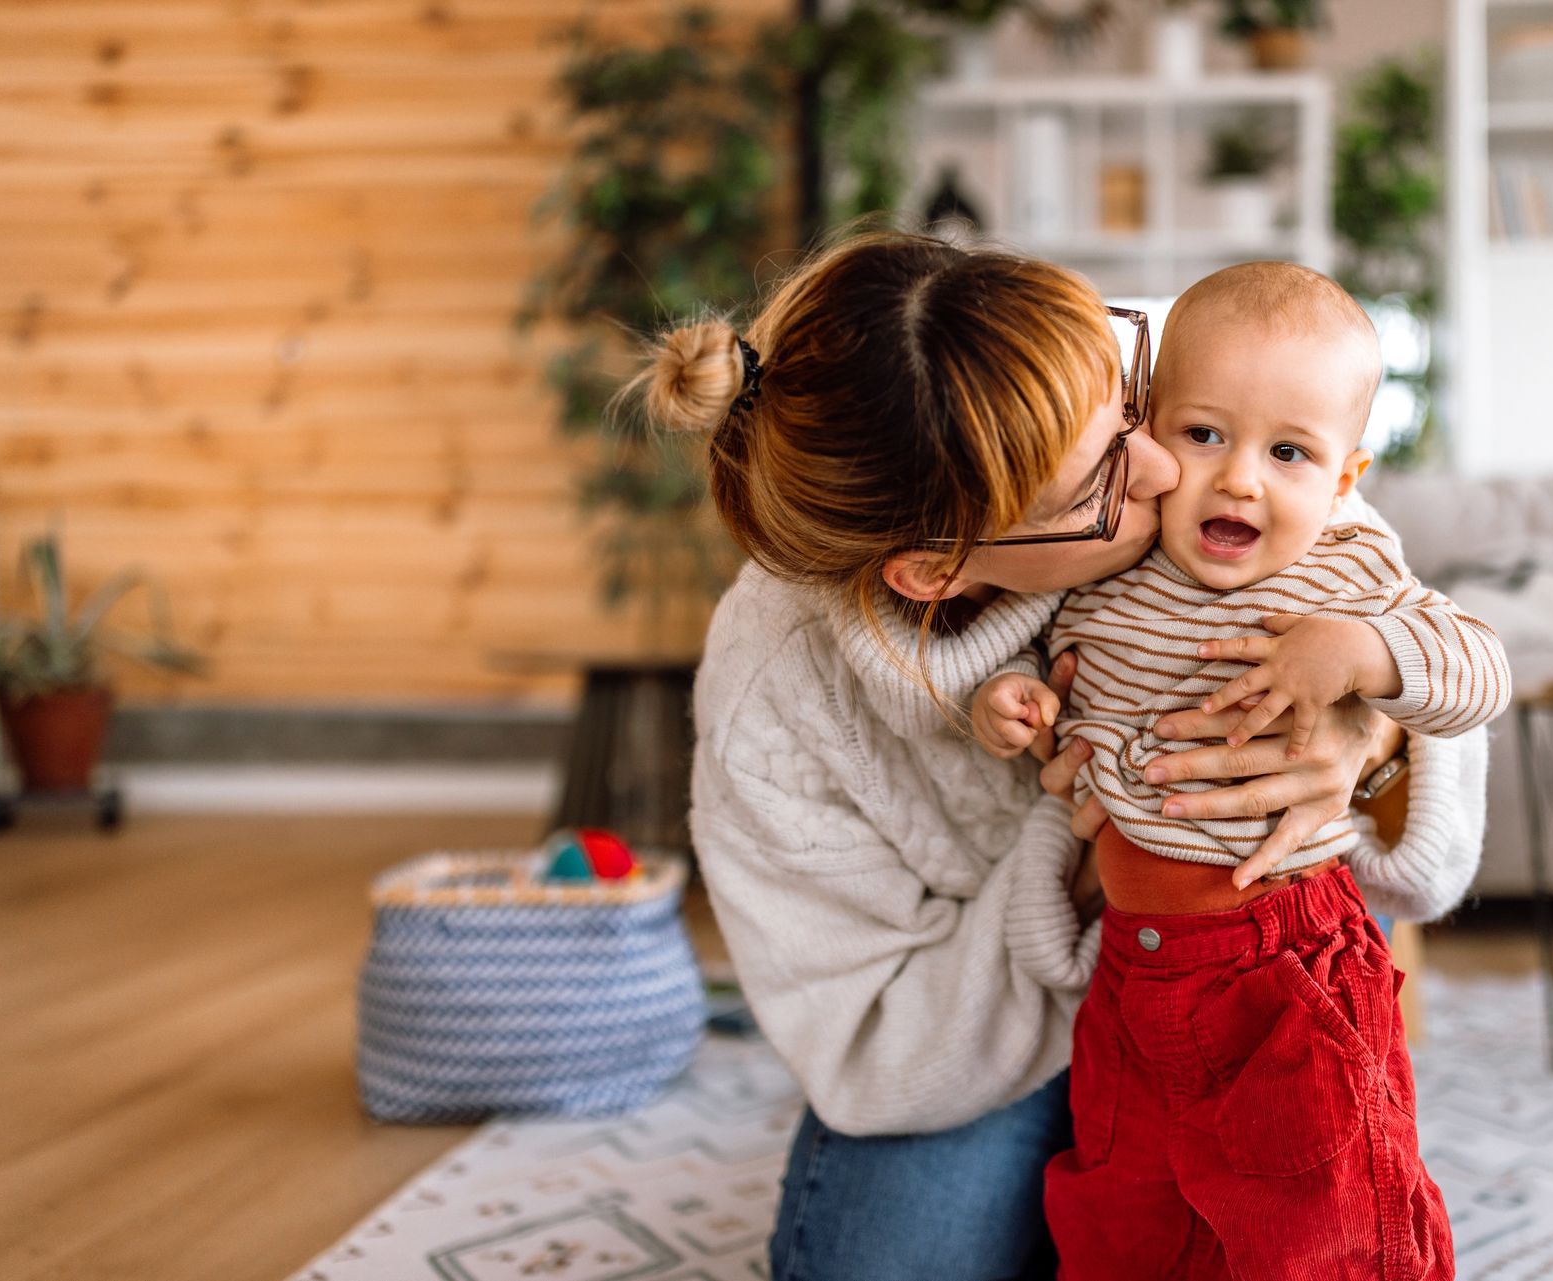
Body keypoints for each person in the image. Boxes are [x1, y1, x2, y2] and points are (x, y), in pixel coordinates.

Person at [626, 230, 1490, 1280]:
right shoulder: (778, 691)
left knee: (1310, 1219)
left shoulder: (1202, 384)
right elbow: (873, 1054)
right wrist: (1089, 864)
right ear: (933, 573)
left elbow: (1406, 647)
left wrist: (1375, 745)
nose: (1176, 467)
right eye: (1102, 485)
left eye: (1133, 411)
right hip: (998, 1033)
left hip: (1248, 967)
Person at [973, 262, 1506, 1278]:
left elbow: (1480, 670)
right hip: (1132, 969)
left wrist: (1361, 656)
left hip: (1286, 965)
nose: (1240, 478)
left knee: (1323, 1227)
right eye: (1204, 433)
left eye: (1290, 451)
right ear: (1148, 433)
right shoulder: (1113, 561)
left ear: (1345, 479)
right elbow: (1044, 662)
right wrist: (1008, 697)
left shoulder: (1344, 569)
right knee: (1125, 1216)